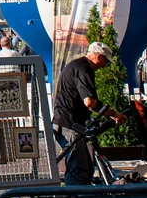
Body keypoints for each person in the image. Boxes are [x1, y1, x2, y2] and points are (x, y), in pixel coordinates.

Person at [52, 42, 128, 186]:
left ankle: (80, 195)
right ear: (99, 57)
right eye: (106, 61)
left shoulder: (76, 65)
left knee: (86, 167)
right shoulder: (84, 68)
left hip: (65, 122)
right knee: (78, 170)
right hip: (69, 124)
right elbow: (90, 102)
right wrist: (113, 113)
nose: (105, 66)